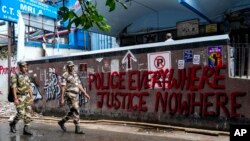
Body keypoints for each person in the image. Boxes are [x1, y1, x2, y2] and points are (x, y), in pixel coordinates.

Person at [58, 61, 90, 134]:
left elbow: (79, 84)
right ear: (67, 67)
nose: (72, 67)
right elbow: (63, 87)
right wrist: (62, 99)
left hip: (75, 95)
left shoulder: (75, 75)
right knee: (76, 109)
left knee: (72, 111)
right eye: (70, 66)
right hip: (69, 94)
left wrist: (85, 93)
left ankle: (62, 122)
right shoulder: (65, 75)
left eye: (72, 66)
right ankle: (77, 128)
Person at [9, 61, 34, 135]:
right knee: (21, 113)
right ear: (19, 67)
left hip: (27, 96)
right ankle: (13, 123)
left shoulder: (27, 75)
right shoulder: (15, 75)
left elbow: (29, 86)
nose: (25, 68)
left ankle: (26, 129)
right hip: (19, 96)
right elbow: (13, 87)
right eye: (23, 66)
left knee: (28, 113)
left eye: (26, 66)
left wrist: (31, 97)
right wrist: (15, 98)